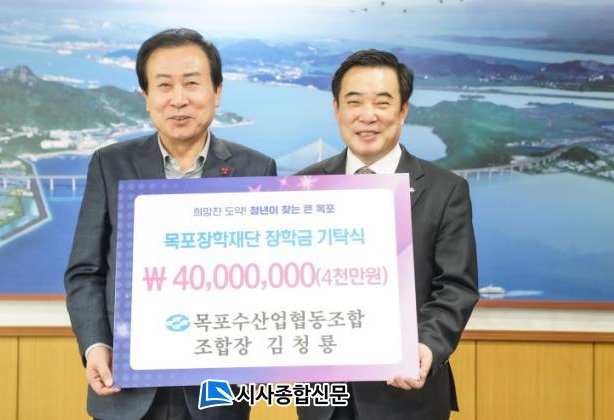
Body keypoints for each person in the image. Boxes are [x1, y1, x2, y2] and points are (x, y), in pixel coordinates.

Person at [64, 28, 277, 420]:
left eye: (192, 83)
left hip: (216, 394)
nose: (179, 99)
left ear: (217, 91)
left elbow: (268, 277)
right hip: (125, 389)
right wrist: (95, 345)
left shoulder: (256, 169)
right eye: (164, 85)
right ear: (146, 96)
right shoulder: (110, 164)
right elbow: (85, 272)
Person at [296, 49, 478, 419]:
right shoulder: (303, 185)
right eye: (354, 102)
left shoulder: (446, 190)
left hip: (406, 394)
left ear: (403, 110)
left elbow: (456, 287)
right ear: (336, 109)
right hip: (324, 399)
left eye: (382, 102)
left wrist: (426, 345)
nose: (368, 116)